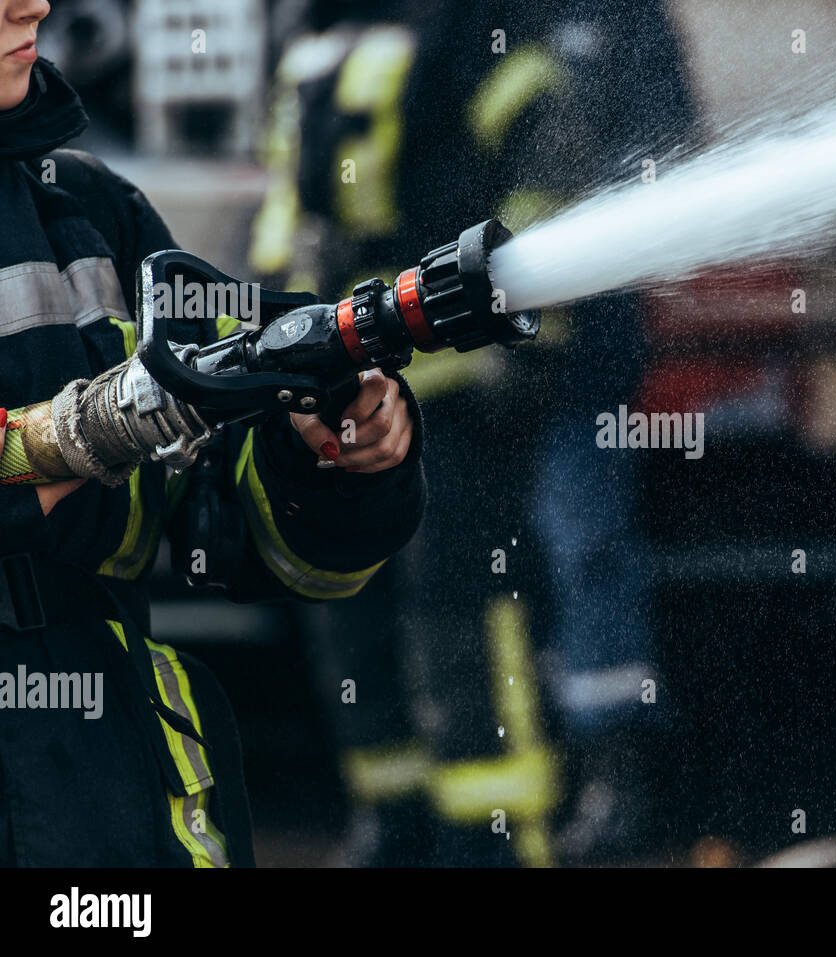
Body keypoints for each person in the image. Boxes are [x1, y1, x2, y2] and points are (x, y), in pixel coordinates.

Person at [250, 0, 696, 864]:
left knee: (453, 610)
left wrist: (527, 340)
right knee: (374, 609)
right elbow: (285, 215)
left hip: (439, 393)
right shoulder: (340, 40)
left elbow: (543, 172)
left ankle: (487, 830)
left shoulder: (451, 34)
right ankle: (405, 821)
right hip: (367, 386)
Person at [0, 0, 425, 866]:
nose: (32, 3)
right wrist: (76, 436)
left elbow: (231, 533)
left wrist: (322, 455)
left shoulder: (90, 213)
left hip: (111, 820)